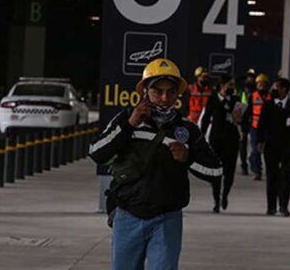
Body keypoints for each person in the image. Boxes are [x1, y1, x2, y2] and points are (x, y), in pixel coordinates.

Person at [89, 58, 221, 270]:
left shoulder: (187, 129)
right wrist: (129, 124)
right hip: (127, 216)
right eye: (157, 91)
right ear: (144, 92)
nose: (164, 98)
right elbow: (96, 153)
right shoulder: (126, 120)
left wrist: (188, 158)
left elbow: (216, 170)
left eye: (170, 92)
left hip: (166, 219)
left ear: (178, 94)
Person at [256, 77, 290, 217]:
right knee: (272, 176)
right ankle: (271, 207)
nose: (273, 90)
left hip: (287, 146)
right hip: (271, 146)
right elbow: (261, 125)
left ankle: (283, 206)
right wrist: (259, 142)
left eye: (276, 87)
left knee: (286, 176)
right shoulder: (268, 105)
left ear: (284, 89)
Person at [197, 74, 242, 212]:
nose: (232, 88)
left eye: (233, 85)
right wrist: (200, 137)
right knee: (216, 172)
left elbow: (242, 119)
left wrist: (239, 120)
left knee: (229, 172)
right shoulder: (213, 100)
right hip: (216, 140)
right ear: (222, 86)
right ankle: (216, 200)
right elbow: (205, 119)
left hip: (232, 140)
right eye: (230, 85)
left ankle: (225, 195)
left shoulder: (236, 100)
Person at [248, 73, 271, 181]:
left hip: (268, 127)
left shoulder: (271, 97)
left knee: (268, 150)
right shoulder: (253, 96)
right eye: (259, 85)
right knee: (255, 150)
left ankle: (269, 170)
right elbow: (248, 111)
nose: (261, 87)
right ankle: (258, 171)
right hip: (255, 126)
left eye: (263, 85)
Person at [238, 70, 256, 175]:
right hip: (244, 120)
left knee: (254, 144)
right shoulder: (242, 91)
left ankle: (253, 163)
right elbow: (239, 104)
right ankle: (244, 165)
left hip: (254, 119)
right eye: (249, 77)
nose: (251, 79)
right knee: (242, 144)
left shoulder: (256, 91)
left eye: (252, 77)